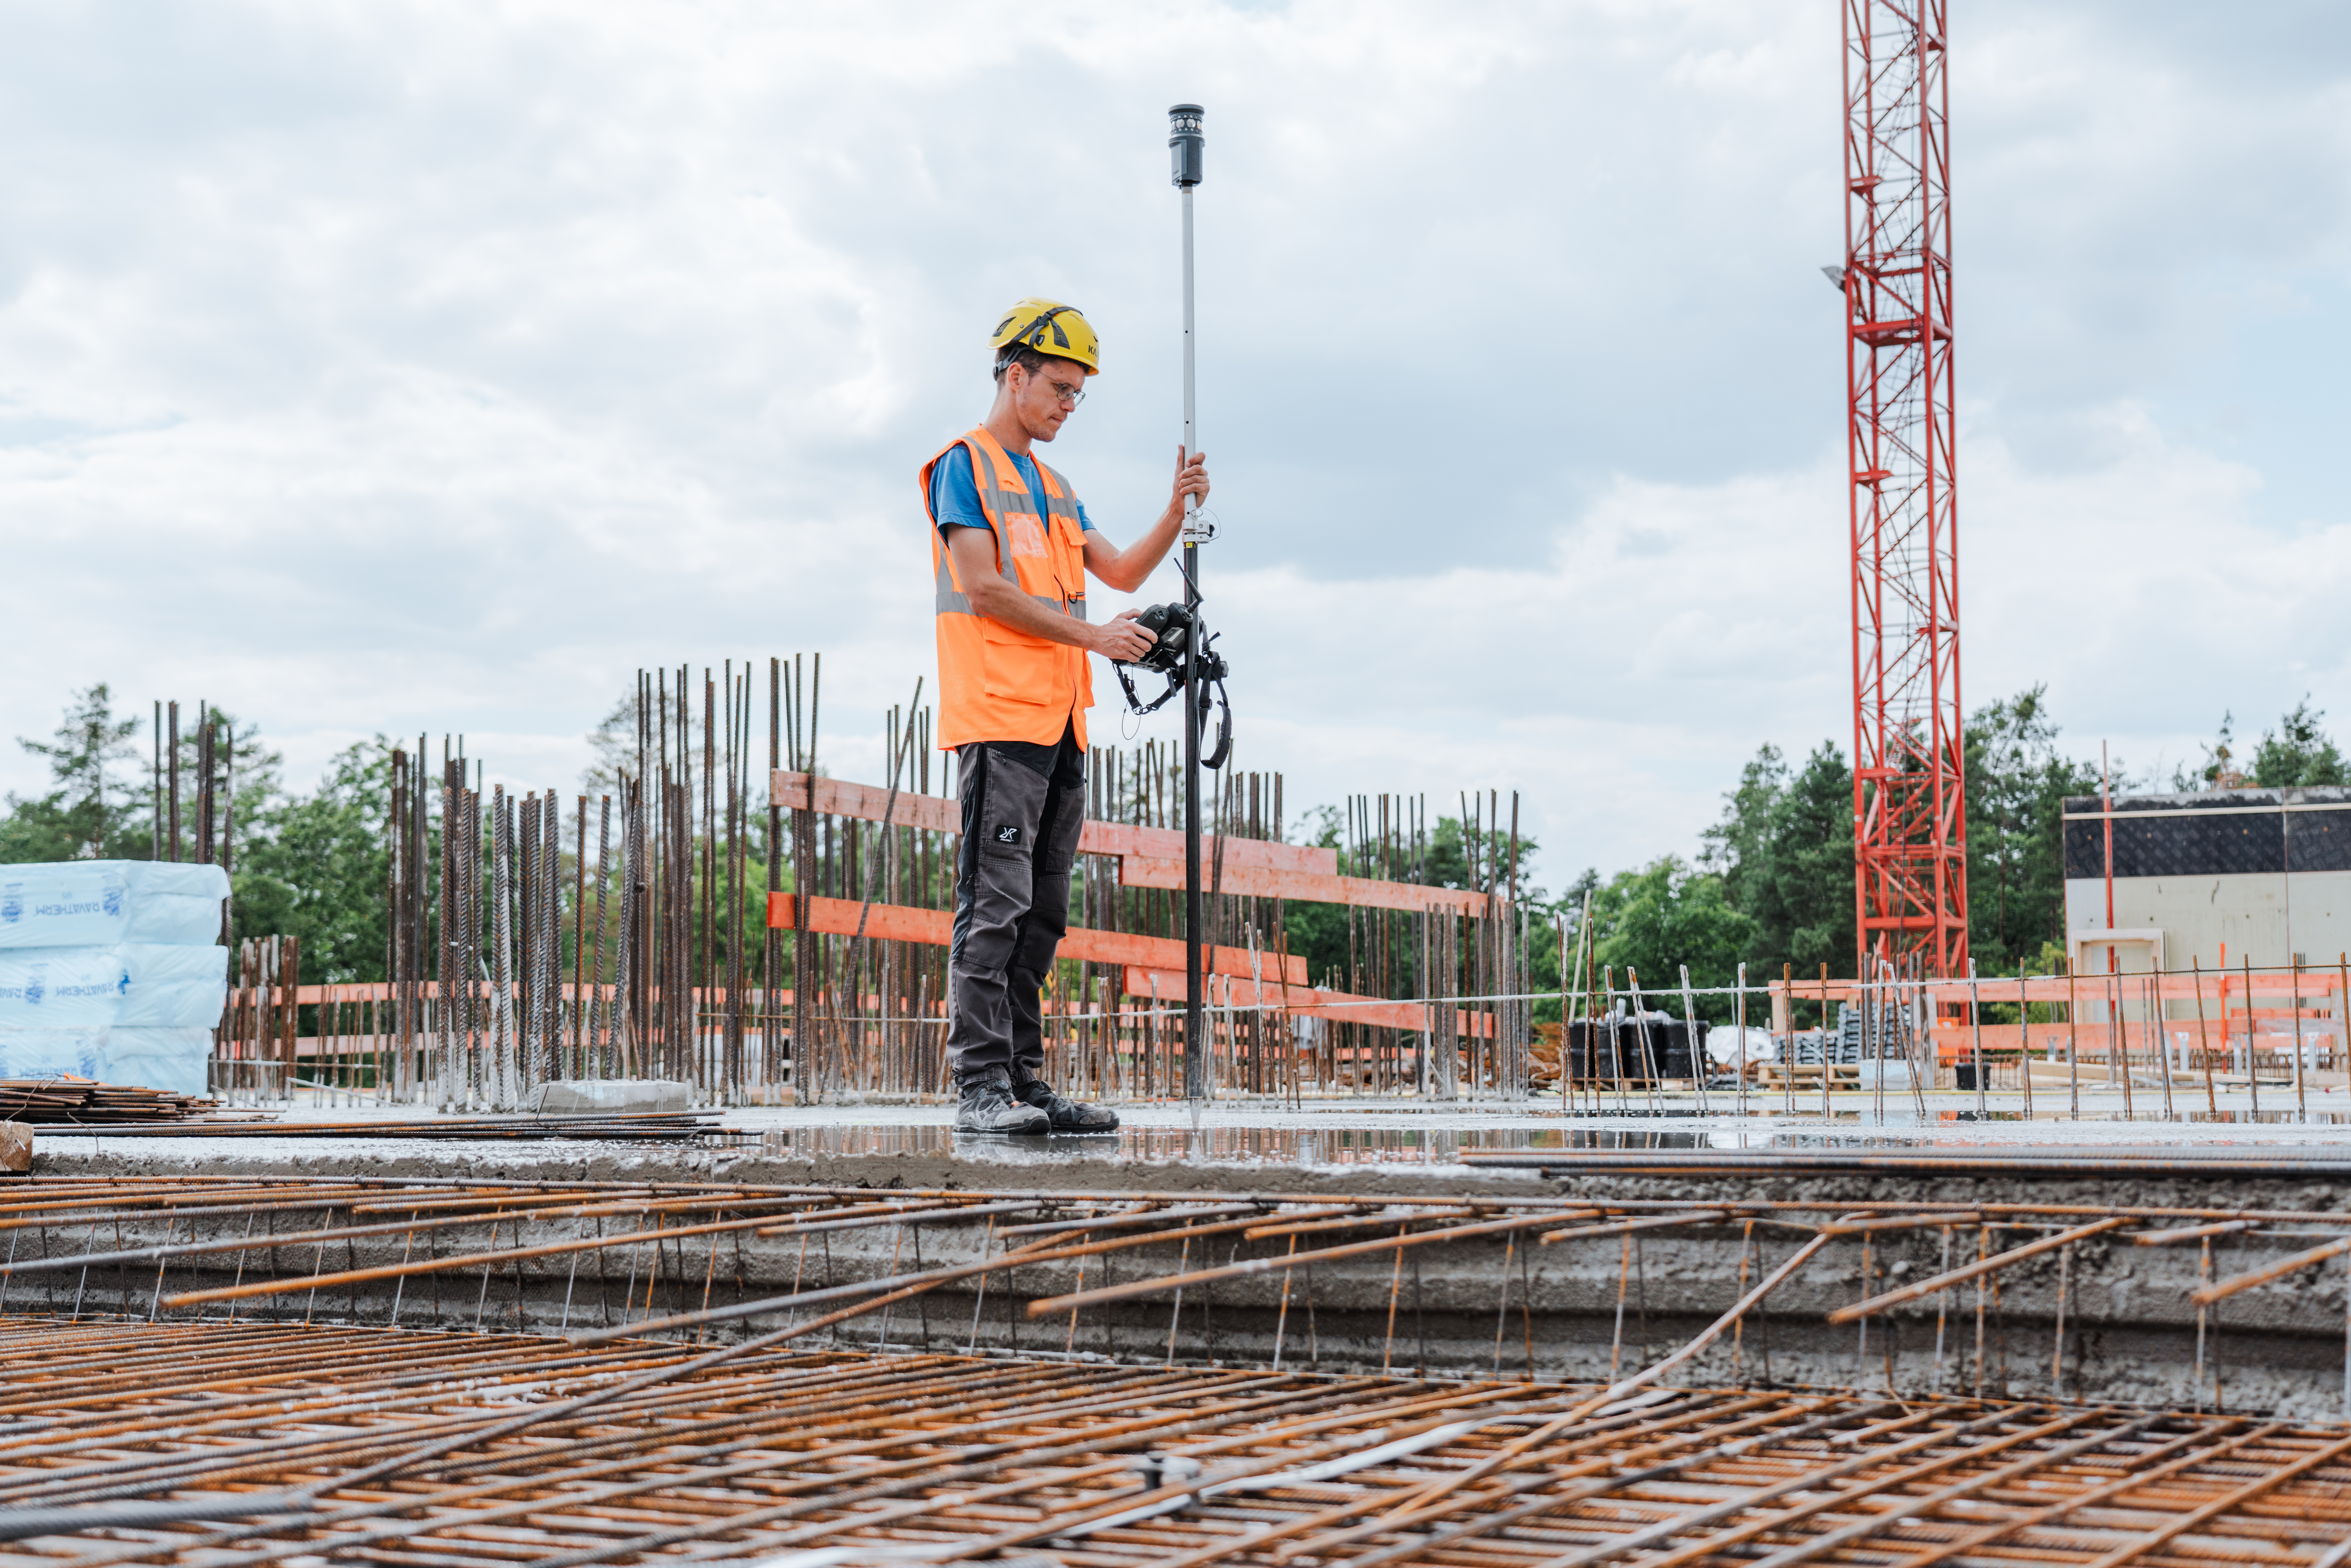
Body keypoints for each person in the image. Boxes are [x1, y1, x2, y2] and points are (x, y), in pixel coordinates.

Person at [922, 298, 1209, 1135]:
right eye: (1057, 388)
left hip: (1060, 725)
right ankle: (980, 1088)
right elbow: (984, 588)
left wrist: (1175, 509)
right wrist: (1096, 638)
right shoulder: (962, 466)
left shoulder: (1055, 487)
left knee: (1043, 912)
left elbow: (1117, 573)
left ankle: (1024, 1083)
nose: (1067, 406)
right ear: (1014, 375)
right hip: (1000, 717)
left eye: (1078, 394)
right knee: (993, 906)